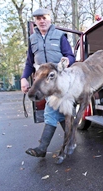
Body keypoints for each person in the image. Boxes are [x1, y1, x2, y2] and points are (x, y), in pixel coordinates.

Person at [21, 8, 75, 158]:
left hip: (59, 81)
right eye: (38, 18)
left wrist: (67, 60)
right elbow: (29, 63)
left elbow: (71, 55)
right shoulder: (32, 39)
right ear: (35, 22)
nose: (42, 21)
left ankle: (42, 148)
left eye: (44, 17)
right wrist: (24, 78)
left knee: (50, 112)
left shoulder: (59, 36)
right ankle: (71, 141)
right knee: (62, 112)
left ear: (49, 19)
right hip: (43, 84)